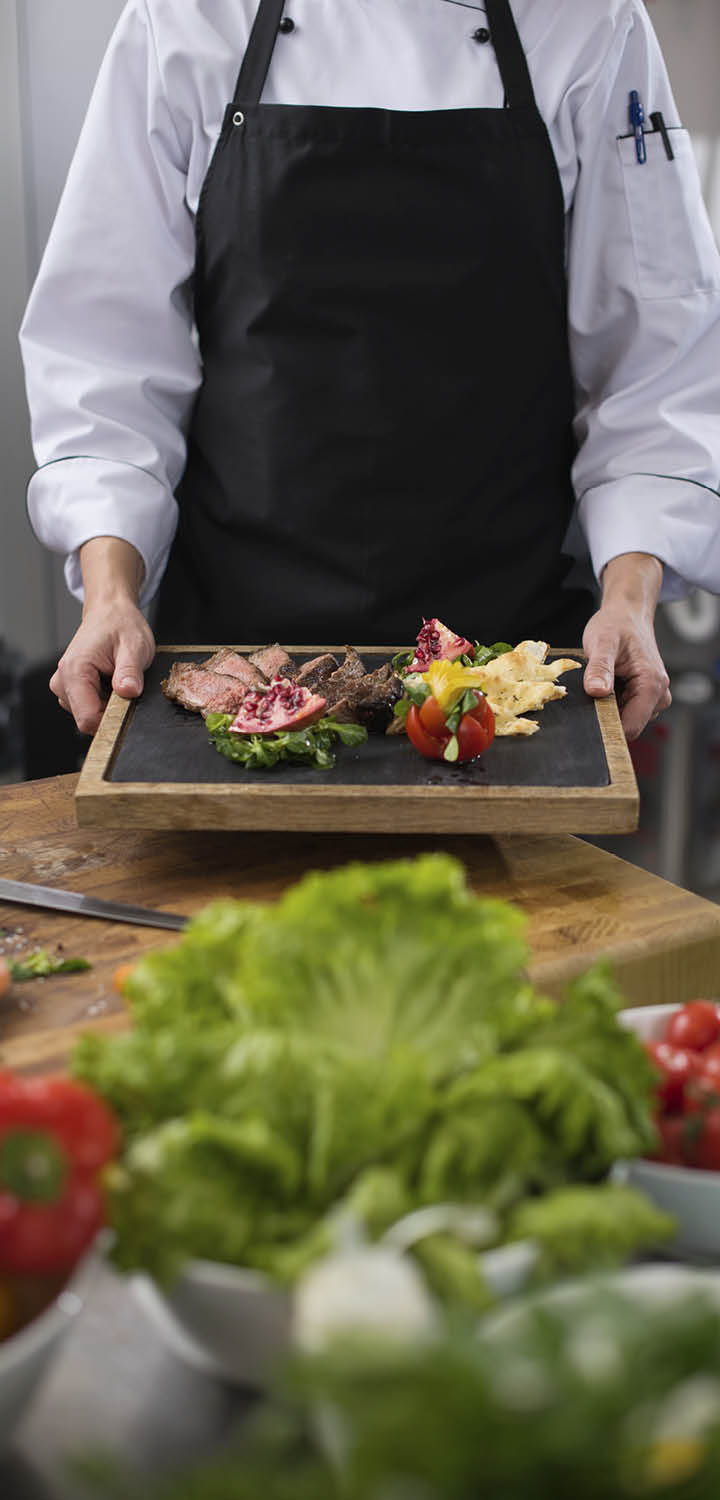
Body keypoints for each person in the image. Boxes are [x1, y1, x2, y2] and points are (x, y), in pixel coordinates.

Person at [19, 0, 720, 742]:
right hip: (238, 641)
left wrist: (630, 603)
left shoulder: (591, 21)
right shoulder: (185, 18)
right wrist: (109, 597)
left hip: (508, 657)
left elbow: (655, 359)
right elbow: (107, 353)